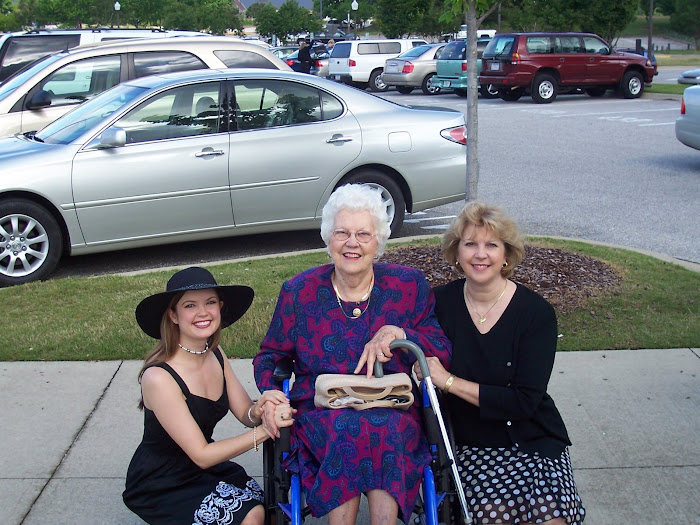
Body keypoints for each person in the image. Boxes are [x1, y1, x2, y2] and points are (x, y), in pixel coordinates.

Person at [253, 184, 452, 524]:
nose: (352, 243)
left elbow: (440, 349)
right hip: (323, 411)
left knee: (384, 429)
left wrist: (401, 333)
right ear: (328, 238)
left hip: (392, 407)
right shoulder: (300, 292)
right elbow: (271, 354)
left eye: (363, 234)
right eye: (342, 233)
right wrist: (271, 392)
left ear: (378, 243)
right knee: (346, 427)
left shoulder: (407, 286)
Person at [414, 202, 586, 525]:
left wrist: (448, 380)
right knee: (495, 516)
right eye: (470, 244)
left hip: (532, 439)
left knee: (552, 517)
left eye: (491, 245)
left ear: (506, 254)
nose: (481, 254)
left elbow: (525, 400)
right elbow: (405, 336)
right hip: (470, 445)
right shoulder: (437, 305)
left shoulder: (536, 314)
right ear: (457, 252)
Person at [123, 266, 294, 525]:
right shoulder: (159, 377)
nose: (203, 312)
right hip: (163, 481)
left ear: (220, 307)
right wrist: (267, 430)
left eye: (210, 302)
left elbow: (246, 414)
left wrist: (262, 408)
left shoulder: (214, 352)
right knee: (251, 517)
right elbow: (202, 454)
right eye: (190, 305)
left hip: (205, 466)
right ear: (173, 315)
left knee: (266, 509)